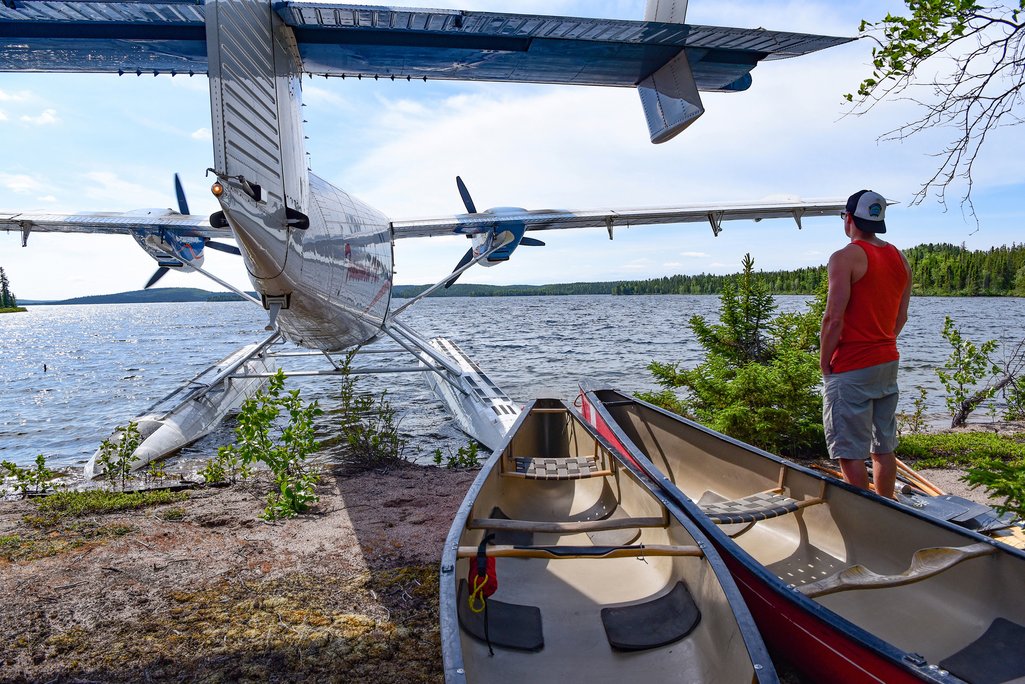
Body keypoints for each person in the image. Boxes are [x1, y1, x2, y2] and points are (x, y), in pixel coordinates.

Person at [820, 190, 912, 499]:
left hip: (852, 365)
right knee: (883, 444)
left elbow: (834, 317)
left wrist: (825, 362)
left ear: (848, 218)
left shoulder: (844, 258)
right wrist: (883, 341)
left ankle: (865, 514)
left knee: (849, 450)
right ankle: (887, 507)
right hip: (887, 360)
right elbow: (902, 316)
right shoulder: (899, 258)